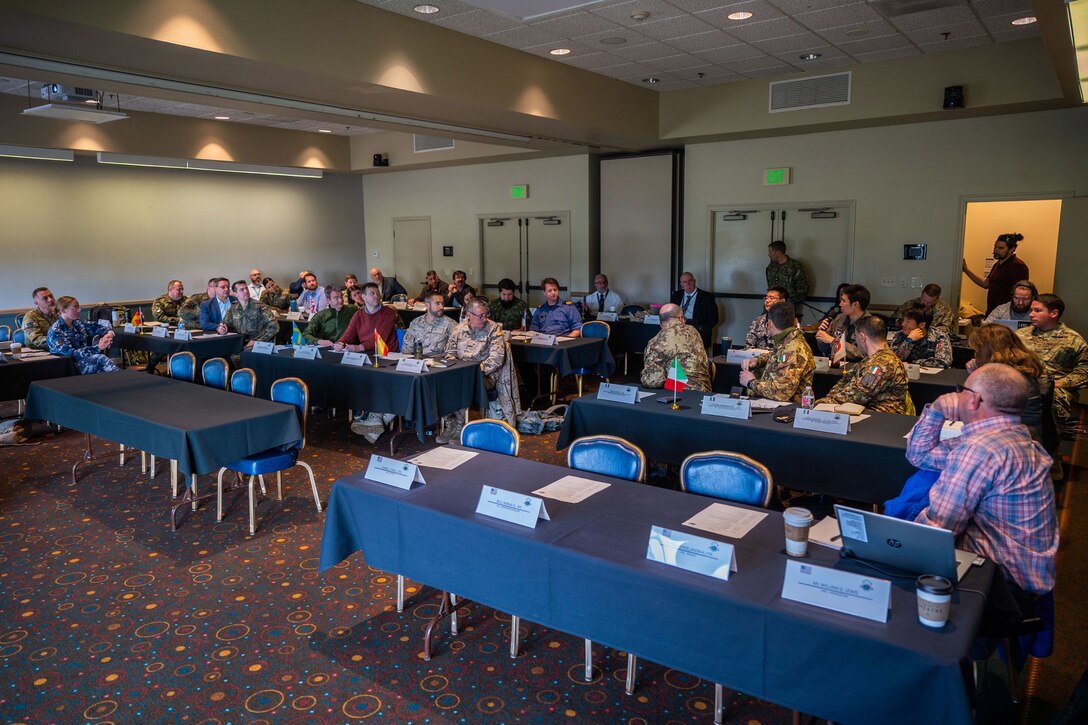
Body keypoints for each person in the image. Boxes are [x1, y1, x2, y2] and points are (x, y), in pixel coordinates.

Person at [907, 363, 1057, 597]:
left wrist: (894, 546)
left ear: (974, 400)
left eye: (962, 390)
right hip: (1025, 570)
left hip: (1003, 583)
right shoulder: (1015, 436)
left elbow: (937, 532)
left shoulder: (980, 449)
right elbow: (920, 455)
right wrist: (936, 410)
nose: (956, 396)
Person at [438, 298, 521, 443]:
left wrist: (474, 372)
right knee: (442, 382)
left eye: (486, 314)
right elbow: (449, 353)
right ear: (469, 315)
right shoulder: (459, 329)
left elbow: (496, 359)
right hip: (460, 373)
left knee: (462, 385)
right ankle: (451, 424)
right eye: (480, 315)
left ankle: (463, 426)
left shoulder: (493, 329)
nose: (485, 318)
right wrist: (457, 369)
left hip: (485, 375)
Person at [816, 315, 915, 414]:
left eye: (856, 337)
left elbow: (858, 395)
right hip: (865, 413)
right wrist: (831, 398)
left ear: (862, 337)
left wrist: (823, 402)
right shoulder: (869, 360)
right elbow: (844, 382)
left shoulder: (884, 363)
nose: (857, 342)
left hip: (882, 418)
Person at [967, 323, 1049, 443]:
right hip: (1023, 432)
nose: (975, 355)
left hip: (1015, 440)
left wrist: (975, 374)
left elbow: (979, 411)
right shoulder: (1017, 368)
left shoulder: (1007, 379)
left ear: (986, 351)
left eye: (977, 351)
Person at [1017, 293, 1088, 425]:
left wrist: (1061, 383)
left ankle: (1048, 440)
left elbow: (1085, 370)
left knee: (1048, 400)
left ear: (1054, 313)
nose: (1031, 314)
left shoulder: (1073, 340)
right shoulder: (1020, 335)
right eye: (1031, 310)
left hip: (1055, 388)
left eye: (1037, 310)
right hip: (1022, 383)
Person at [740, 301, 815, 402]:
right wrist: (758, 361)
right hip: (774, 405)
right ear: (794, 321)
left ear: (769, 323)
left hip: (786, 411)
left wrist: (751, 382)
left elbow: (781, 393)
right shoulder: (788, 339)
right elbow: (778, 356)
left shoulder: (793, 350)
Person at [640, 303, 711, 392]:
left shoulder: (655, 342)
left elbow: (653, 381)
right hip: (704, 391)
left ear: (661, 324)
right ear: (681, 318)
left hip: (677, 395)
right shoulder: (693, 331)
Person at [46, 296, 118, 374]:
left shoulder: (78, 323)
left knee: (103, 368)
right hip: (69, 367)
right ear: (63, 310)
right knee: (100, 359)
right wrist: (98, 347)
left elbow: (100, 328)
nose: (79, 310)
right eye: (75, 308)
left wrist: (109, 335)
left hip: (83, 361)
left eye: (78, 307)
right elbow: (72, 354)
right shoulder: (56, 331)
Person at [963, 232, 1030, 314]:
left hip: (1007, 313)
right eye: (995, 247)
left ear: (1011, 249)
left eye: (1001, 248)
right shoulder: (998, 264)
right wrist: (966, 270)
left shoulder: (1017, 265)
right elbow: (986, 284)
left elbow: (1022, 292)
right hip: (992, 311)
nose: (995, 250)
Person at [334, 283, 399, 354]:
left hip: (386, 353)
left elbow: (381, 338)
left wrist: (360, 347)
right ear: (363, 297)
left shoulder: (389, 313)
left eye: (377, 293)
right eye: (372, 293)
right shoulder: (358, 315)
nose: (376, 296)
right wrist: (340, 343)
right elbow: (349, 334)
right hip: (366, 352)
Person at [815, 284, 871, 362]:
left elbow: (861, 354)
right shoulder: (839, 319)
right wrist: (824, 336)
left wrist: (832, 340)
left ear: (855, 304)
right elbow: (826, 351)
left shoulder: (869, 325)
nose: (840, 304)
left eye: (844, 301)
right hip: (836, 365)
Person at [890, 302, 952, 368]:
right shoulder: (900, 335)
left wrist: (912, 363)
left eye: (908, 321)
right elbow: (893, 360)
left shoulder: (939, 337)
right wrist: (909, 341)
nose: (903, 324)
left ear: (922, 325)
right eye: (903, 320)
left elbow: (944, 362)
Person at [220, 280, 278, 349]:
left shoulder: (260, 306)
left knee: (243, 356)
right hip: (240, 344)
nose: (246, 291)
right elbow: (225, 324)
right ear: (235, 294)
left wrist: (257, 341)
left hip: (258, 344)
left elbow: (274, 326)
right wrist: (223, 328)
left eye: (246, 288)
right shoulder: (233, 308)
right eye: (242, 290)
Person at [669, 271, 719, 347]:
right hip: (678, 330)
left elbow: (714, 318)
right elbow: (670, 313)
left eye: (690, 281)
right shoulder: (676, 295)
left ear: (694, 281)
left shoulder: (707, 297)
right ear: (681, 284)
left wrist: (700, 327)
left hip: (697, 331)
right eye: (684, 282)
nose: (688, 284)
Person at [403, 292, 456, 356]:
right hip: (417, 361)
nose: (441, 307)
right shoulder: (416, 323)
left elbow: (454, 351)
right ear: (427, 305)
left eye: (442, 303)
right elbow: (407, 349)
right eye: (437, 303)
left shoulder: (450, 324)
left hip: (438, 362)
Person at [765, 241, 809, 318]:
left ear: (778, 252)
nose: (769, 254)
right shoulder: (771, 267)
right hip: (771, 308)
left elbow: (802, 289)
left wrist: (790, 303)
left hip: (788, 308)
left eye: (770, 252)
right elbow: (770, 287)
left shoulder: (795, 267)